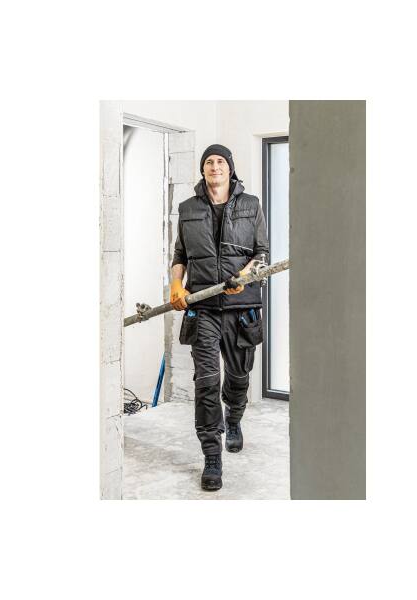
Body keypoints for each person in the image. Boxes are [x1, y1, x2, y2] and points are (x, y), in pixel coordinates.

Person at [170, 144, 269, 491]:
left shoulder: (251, 205)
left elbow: (262, 253)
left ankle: (235, 417)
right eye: (209, 162)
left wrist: (244, 276)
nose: (215, 166)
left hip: (242, 308)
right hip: (204, 308)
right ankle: (212, 455)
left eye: (220, 161)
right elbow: (180, 255)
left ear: (230, 168)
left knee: (239, 377)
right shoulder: (187, 209)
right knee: (207, 381)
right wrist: (176, 284)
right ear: (203, 170)